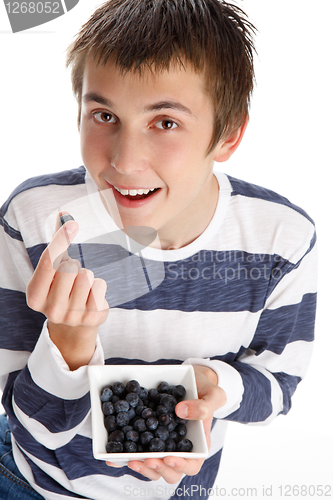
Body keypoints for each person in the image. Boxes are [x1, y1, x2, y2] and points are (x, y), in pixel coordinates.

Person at [0, 0, 317, 499]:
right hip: (33, 481)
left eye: (165, 122)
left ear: (228, 135)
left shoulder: (280, 240)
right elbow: (32, 423)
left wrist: (215, 384)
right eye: (103, 114)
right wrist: (68, 342)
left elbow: (278, 388)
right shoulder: (35, 218)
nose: (124, 161)